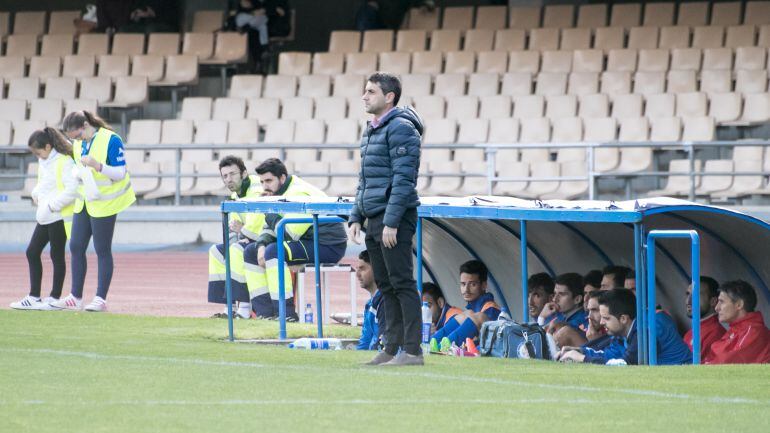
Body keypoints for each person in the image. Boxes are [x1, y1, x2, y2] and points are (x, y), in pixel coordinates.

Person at [348, 72, 423, 366]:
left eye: (371, 92)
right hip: (374, 216)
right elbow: (365, 179)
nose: (364, 96)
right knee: (386, 285)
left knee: (402, 282)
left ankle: (413, 351)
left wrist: (392, 221)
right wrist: (356, 215)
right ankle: (391, 347)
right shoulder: (371, 129)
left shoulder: (402, 128)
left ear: (389, 97)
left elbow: (404, 180)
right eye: (365, 91)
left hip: (394, 218)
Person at [51, 111, 136, 312]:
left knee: (102, 249)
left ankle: (100, 298)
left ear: (86, 125)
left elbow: (120, 172)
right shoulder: (78, 143)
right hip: (85, 201)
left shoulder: (111, 139)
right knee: (76, 246)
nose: (77, 141)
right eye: (74, 139)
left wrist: (98, 166)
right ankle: (75, 296)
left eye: (78, 136)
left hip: (105, 203)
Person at [243, 158, 347, 320]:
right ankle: (265, 314)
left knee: (274, 251)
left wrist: (267, 210)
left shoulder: (298, 193)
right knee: (251, 251)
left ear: (282, 178)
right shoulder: (279, 193)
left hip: (328, 245)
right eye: (262, 182)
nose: (265, 186)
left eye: (269, 181)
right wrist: (261, 244)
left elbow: (289, 233)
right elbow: (271, 227)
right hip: (308, 240)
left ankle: (286, 315)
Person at [10, 128, 78, 310]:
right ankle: (34, 297)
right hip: (45, 216)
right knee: (32, 252)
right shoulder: (44, 161)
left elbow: (72, 189)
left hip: (58, 216)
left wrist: (52, 206)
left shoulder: (64, 161)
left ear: (48, 147)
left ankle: (54, 298)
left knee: (56, 255)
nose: (37, 156)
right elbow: (44, 183)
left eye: (38, 152)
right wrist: (36, 193)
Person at [559, 289, 692, 365]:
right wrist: (580, 351)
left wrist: (582, 358)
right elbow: (611, 355)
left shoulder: (648, 328)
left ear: (623, 318)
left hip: (682, 378)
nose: (602, 322)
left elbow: (625, 364)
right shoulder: (625, 330)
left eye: (606, 318)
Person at [208, 156, 265, 319]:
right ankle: (229, 308)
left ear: (244, 173)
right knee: (217, 252)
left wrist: (243, 231)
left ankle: (244, 310)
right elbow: (233, 228)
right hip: (248, 237)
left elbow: (258, 222)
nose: (228, 179)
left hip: (265, 239)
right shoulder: (234, 197)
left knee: (236, 250)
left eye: (232, 174)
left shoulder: (257, 189)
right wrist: (234, 241)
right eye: (225, 176)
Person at [429, 260, 501, 347]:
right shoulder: (471, 310)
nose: (466, 290)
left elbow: (490, 342)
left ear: (484, 285)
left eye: (472, 284)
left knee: (478, 316)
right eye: (463, 284)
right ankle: (430, 344)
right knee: (467, 314)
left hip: (490, 351)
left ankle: (443, 348)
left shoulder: (491, 309)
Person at [705, 280, 770, 364]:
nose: (716, 308)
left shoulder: (754, 331)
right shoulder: (736, 330)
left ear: (739, 305)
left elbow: (726, 362)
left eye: (721, 302)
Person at [682, 276, 725, 359]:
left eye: (696, 295)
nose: (688, 301)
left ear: (713, 301)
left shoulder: (716, 334)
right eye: (688, 294)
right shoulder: (691, 332)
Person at [356, 250, 383, 350]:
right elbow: (364, 342)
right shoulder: (369, 305)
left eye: (362, 269)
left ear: (376, 269)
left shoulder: (386, 303)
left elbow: (385, 344)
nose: (357, 274)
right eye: (357, 269)